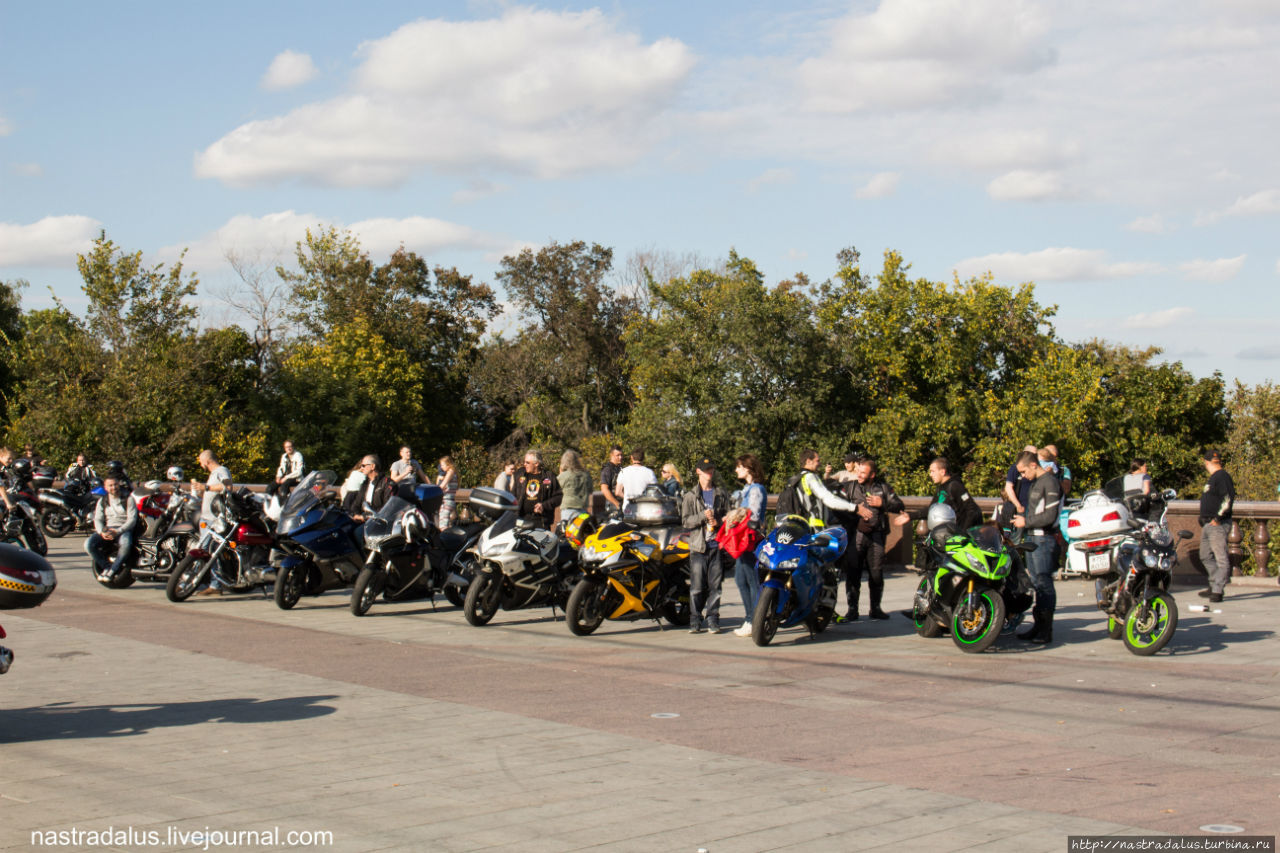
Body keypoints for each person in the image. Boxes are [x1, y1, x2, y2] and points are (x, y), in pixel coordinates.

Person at [837, 456, 904, 622]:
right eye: (858, 471)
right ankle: (852, 609)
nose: (859, 475)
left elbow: (899, 505)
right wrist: (855, 515)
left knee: (876, 574)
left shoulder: (883, 487)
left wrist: (882, 503)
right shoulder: (850, 487)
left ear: (872, 474)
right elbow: (837, 507)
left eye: (863, 473)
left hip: (876, 536)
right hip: (856, 536)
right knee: (853, 573)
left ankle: (876, 608)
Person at [1011, 450, 1061, 644]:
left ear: (1033, 465)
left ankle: (1046, 630)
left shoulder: (1049, 482)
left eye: (1023, 472)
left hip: (1044, 538)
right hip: (1033, 537)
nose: (1023, 476)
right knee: (1036, 582)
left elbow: (1049, 516)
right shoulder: (1035, 483)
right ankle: (1038, 626)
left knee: (1043, 581)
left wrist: (1026, 521)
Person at [681, 457, 729, 634]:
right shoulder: (690, 496)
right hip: (698, 547)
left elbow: (727, 517)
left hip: (716, 545)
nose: (710, 473)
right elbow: (685, 522)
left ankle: (713, 619)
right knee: (697, 586)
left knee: (715, 586)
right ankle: (695, 620)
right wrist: (702, 516)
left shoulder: (721, 494)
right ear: (698, 472)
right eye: (706, 470)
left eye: (711, 470)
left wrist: (719, 521)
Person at [731, 453, 768, 637]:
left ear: (747, 468)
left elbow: (752, 515)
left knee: (751, 580)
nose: (736, 470)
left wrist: (734, 516)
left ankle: (753, 620)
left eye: (739, 466)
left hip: (750, 540)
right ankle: (751, 618)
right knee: (741, 579)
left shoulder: (755, 489)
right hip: (744, 540)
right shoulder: (748, 489)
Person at [777, 449, 859, 530]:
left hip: (801, 528)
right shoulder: (810, 477)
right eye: (817, 461)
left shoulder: (795, 479)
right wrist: (854, 508)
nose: (819, 464)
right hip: (815, 530)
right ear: (809, 461)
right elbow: (828, 499)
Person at [1198, 448, 1235, 604]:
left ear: (1206, 463)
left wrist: (1218, 518)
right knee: (1205, 555)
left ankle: (1218, 590)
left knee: (1221, 558)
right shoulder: (1213, 478)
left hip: (1217, 524)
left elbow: (1228, 498)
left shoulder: (1222, 477)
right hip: (1207, 524)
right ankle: (1214, 584)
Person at [193, 450, 233, 596]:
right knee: (207, 550)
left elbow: (227, 486)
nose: (200, 464)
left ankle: (211, 584)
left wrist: (206, 488)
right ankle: (212, 584)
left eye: (201, 462)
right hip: (206, 519)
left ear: (206, 461)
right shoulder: (213, 474)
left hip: (214, 520)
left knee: (206, 550)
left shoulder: (221, 471)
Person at [86, 476, 137, 580]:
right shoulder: (102, 501)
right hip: (108, 528)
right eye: (110, 485)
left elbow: (132, 520)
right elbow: (98, 519)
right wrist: (101, 532)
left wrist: (118, 531)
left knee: (126, 544)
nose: (114, 487)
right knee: (89, 544)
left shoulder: (128, 499)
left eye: (115, 484)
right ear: (105, 487)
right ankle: (107, 567)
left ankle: (113, 569)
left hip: (123, 529)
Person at [514, 450, 561, 528]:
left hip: (541, 521)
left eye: (527, 462)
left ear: (536, 464)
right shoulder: (520, 474)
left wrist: (544, 506)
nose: (524, 464)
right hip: (521, 520)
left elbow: (558, 496)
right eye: (524, 462)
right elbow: (512, 494)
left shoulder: (549, 477)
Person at [342, 455, 393, 522]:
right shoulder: (365, 484)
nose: (361, 468)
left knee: (357, 532)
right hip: (364, 520)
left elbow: (388, 507)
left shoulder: (387, 483)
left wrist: (366, 517)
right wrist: (355, 514)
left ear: (372, 466)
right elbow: (356, 503)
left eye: (363, 465)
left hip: (379, 521)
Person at [558, 450, 593, 523]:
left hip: (568, 510)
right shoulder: (586, 475)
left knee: (568, 533)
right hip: (583, 509)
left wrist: (560, 472)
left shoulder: (564, 476)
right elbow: (590, 490)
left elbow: (557, 489)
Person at [1003, 445, 1037, 518]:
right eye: (1033, 455)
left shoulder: (1037, 467)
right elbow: (1008, 487)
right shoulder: (1016, 468)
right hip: (1021, 507)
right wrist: (1018, 505)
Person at [599, 446, 624, 514]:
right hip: (613, 507)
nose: (620, 457)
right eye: (617, 455)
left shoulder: (620, 468)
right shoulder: (607, 469)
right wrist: (617, 504)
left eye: (621, 455)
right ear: (611, 455)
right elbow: (604, 489)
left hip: (622, 504)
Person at [436, 455, 459, 529]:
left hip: (447, 501)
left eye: (442, 465)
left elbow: (441, 486)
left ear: (448, 464)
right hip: (448, 500)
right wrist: (439, 478)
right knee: (447, 524)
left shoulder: (450, 472)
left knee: (443, 525)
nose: (441, 467)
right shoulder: (452, 472)